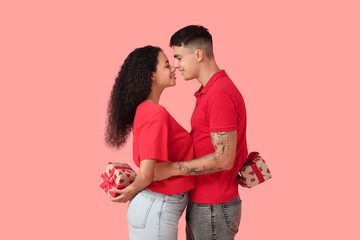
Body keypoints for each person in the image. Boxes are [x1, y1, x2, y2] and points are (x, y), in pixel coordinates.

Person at [153, 25, 248, 240]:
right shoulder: (211, 91)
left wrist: (172, 169)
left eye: (178, 57)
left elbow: (224, 158)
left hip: (214, 205)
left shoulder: (219, 94)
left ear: (198, 54)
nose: (176, 66)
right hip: (207, 204)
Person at [105, 45, 195, 240]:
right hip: (158, 207)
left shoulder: (146, 110)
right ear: (151, 76)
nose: (173, 69)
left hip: (154, 207)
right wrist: (130, 191)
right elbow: (147, 173)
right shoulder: (155, 113)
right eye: (166, 65)